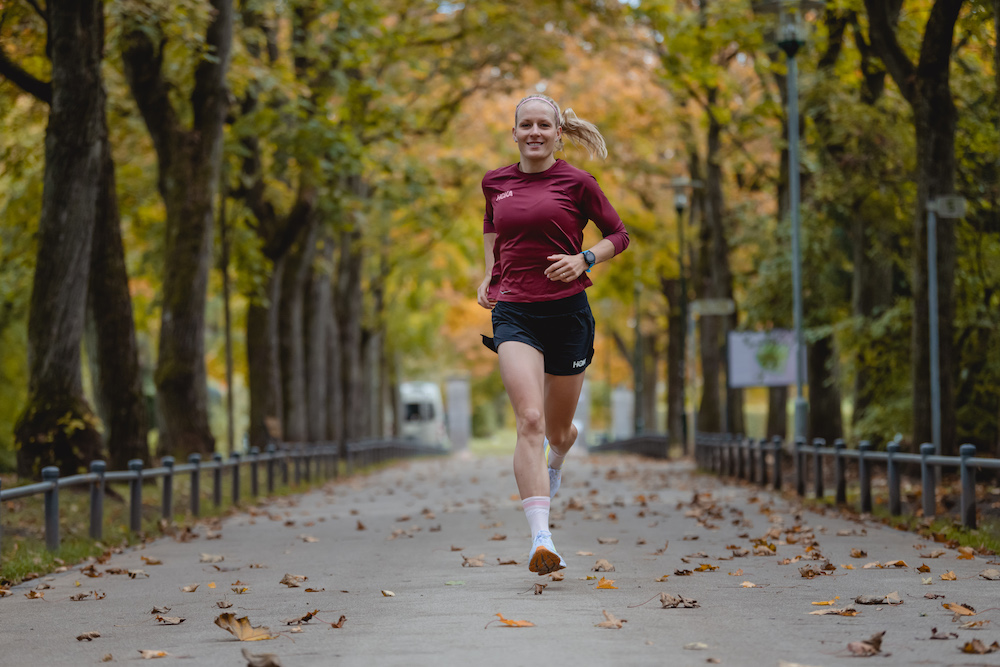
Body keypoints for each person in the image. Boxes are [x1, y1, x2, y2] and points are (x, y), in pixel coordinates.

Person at [477, 94, 629, 575]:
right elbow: (491, 228)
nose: (535, 132)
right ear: (515, 132)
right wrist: (489, 275)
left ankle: (561, 452)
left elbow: (619, 235)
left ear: (558, 133)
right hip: (515, 312)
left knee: (557, 430)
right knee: (529, 419)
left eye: (545, 125)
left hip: (568, 314)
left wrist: (584, 258)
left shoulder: (578, 182)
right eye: (527, 125)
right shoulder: (495, 182)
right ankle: (542, 539)